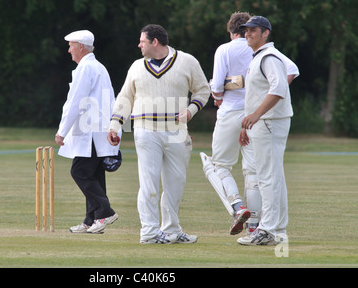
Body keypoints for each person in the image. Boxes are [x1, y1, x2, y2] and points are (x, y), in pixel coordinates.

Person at [108, 24, 210, 244]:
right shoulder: (136, 66)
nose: (139, 45)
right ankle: (150, 232)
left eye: (142, 41)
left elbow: (203, 89)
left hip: (176, 131)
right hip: (146, 130)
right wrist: (115, 126)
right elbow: (125, 98)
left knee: (175, 183)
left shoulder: (187, 61)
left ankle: (172, 230)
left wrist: (191, 111)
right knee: (149, 183)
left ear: (155, 42)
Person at [200, 13, 300, 237]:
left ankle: (238, 207)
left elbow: (216, 88)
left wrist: (221, 91)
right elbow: (292, 70)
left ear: (230, 31)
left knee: (220, 166)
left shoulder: (228, 49)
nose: (248, 34)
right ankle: (255, 223)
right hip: (253, 116)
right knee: (254, 170)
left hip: (240, 113)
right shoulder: (260, 51)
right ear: (242, 30)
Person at [55, 30, 119, 234]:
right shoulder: (96, 67)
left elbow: (75, 102)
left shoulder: (87, 68)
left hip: (92, 131)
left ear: (81, 47)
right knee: (94, 174)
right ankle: (93, 219)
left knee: (79, 171)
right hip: (98, 130)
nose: (68, 50)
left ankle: (105, 212)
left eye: (71, 46)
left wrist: (61, 131)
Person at [237, 16, 293, 245]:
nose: (248, 34)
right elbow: (259, 94)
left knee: (267, 177)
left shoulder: (269, 57)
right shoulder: (261, 57)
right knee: (273, 176)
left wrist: (257, 115)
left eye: (253, 30)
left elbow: (278, 89)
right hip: (267, 122)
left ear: (265, 33)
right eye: (246, 30)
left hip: (269, 122)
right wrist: (247, 123)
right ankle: (277, 229)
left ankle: (268, 231)